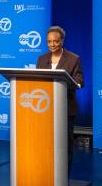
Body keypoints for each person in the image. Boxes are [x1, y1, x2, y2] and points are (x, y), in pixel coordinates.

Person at [36, 25, 84, 169]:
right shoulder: (41, 59)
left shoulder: (74, 59)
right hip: (44, 108)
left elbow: (80, 80)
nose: (52, 45)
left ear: (62, 41)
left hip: (66, 108)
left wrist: (71, 83)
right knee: (46, 144)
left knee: (64, 146)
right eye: (49, 41)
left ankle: (63, 181)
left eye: (55, 41)